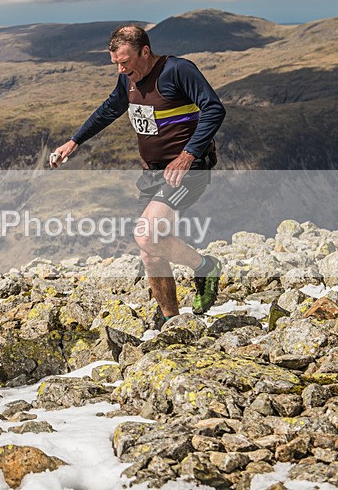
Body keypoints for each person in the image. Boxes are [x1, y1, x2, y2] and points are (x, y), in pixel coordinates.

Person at [51, 25, 226, 322]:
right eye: (116, 64)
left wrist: (188, 154)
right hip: (153, 174)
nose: (121, 69)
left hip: (187, 170)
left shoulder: (178, 70)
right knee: (151, 252)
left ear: (145, 51)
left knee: (145, 235)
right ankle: (171, 321)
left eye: (125, 61)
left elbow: (214, 109)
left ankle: (206, 268)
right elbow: (109, 110)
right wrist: (74, 140)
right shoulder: (127, 80)